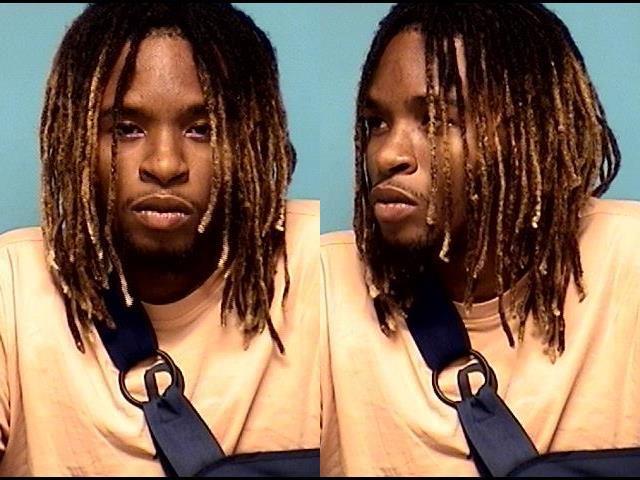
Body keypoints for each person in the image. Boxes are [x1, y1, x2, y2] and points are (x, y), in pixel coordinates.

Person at [320, 3, 640, 476]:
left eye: (435, 120)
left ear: (530, 130)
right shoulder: (321, 290)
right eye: (376, 122)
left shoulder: (628, 264)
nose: (386, 155)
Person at [0, 3, 320, 476]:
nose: (165, 164)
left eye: (203, 130)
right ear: (73, 138)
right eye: (126, 130)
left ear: (252, 137)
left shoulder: (322, 266)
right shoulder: (12, 290)